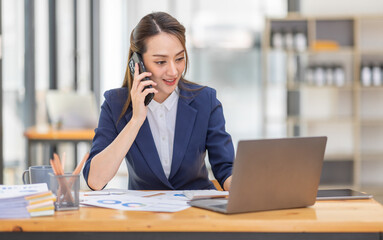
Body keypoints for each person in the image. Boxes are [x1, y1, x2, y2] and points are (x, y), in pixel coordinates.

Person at [83, 12, 234, 191]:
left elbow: (226, 169)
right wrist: (136, 120)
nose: (173, 71)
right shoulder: (115, 104)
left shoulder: (205, 101)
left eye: (179, 59)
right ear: (137, 63)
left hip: (196, 213)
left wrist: (247, 189)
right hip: (145, 216)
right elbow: (95, 181)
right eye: (161, 62)